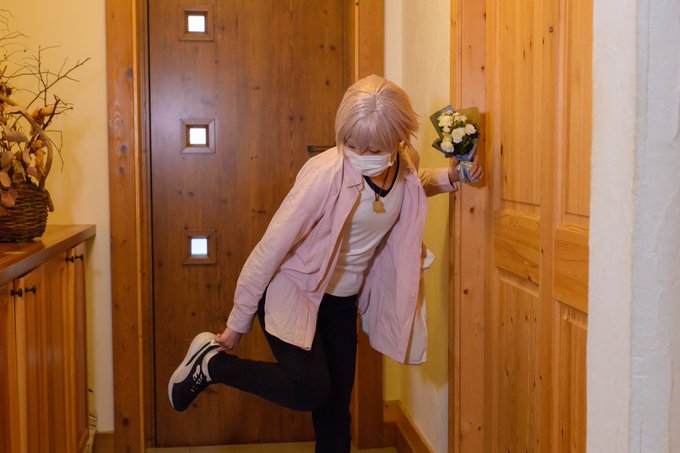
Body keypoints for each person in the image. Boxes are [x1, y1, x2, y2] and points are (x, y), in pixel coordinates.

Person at [167, 74, 483, 453]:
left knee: (335, 412)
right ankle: (211, 365)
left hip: (341, 303)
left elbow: (410, 184)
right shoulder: (324, 174)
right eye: (352, 144)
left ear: (398, 139)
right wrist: (237, 324)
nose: (360, 154)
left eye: (373, 148)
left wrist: (452, 176)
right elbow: (270, 249)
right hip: (294, 292)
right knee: (310, 389)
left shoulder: (403, 162)